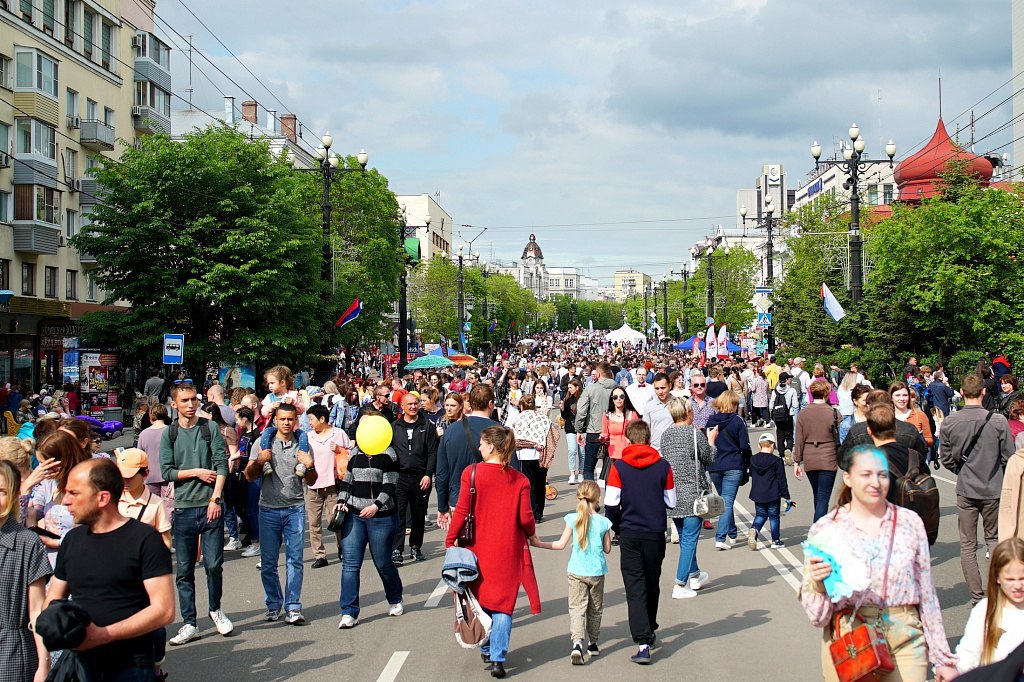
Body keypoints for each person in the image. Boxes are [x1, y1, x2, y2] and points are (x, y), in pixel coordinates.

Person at [800, 447, 958, 682]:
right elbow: (817, 617)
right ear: (848, 478)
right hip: (850, 636)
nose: (876, 482)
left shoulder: (909, 523)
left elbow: (927, 593)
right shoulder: (826, 529)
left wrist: (943, 659)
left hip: (904, 635)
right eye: (866, 474)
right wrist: (818, 585)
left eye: (882, 475)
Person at [44, 458, 176, 681]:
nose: (65, 501)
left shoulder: (145, 540)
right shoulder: (72, 541)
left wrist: (103, 635)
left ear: (102, 498)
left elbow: (164, 610)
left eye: (74, 493)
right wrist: (54, 623)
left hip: (130, 666)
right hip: (80, 665)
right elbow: (54, 597)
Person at [445, 426, 540, 678]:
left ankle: (486, 647)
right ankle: (498, 658)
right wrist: (531, 533)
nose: (478, 447)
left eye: (481, 443)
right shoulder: (520, 480)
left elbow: (463, 510)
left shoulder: (472, 473)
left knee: (481, 599)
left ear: (490, 446)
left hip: (476, 548)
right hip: (508, 549)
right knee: (503, 605)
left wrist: (451, 539)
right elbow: (526, 518)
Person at [159, 381, 233, 644]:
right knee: (184, 570)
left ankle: (215, 609)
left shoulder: (209, 427)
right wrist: (195, 472)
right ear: (174, 404)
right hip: (184, 509)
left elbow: (222, 465)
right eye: (185, 401)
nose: (191, 405)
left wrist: (216, 498)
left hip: (210, 505)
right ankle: (190, 622)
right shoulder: (170, 434)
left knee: (214, 565)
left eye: (194, 400)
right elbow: (166, 471)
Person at [604, 420, 675, 664]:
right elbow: (671, 501)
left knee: (635, 587)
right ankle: (650, 625)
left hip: (630, 532)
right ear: (648, 438)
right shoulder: (663, 466)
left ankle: (643, 640)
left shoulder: (619, 467)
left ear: (628, 439)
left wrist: (616, 525)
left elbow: (611, 503)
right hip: (655, 532)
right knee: (652, 581)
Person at [941, 374, 1016, 604]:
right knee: (993, 539)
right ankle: (996, 590)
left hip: (966, 488)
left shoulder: (950, 422)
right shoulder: (998, 421)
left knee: (968, 544)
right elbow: (1008, 457)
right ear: (983, 393)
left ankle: (976, 595)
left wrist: (961, 471)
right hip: (993, 488)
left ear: (961, 393)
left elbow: (945, 458)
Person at [529, 480, 611, 666]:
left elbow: (560, 544)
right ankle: (593, 643)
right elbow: (607, 549)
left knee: (577, 608)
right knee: (595, 608)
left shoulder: (573, 519)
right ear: (597, 499)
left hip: (576, 571)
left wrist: (538, 543)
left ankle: (576, 644)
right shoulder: (604, 522)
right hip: (596, 572)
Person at [244, 402, 311, 624]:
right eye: (282, 419)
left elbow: (311, 480)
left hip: (295, 508)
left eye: (290, 419)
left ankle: (293, 607)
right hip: (268, 509)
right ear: (275, 420)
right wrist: (260, 461)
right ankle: (273, 604)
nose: (286, 423)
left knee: (295, 560)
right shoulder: (262, 444)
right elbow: (249, 476)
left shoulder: (302, 445)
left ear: (295, 421)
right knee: (269, 562)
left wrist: (309, 466)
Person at [334, 420, 403, 629]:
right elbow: (347, 481)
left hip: (381, 517)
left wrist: (376, 505)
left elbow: (390, 484)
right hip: (354, 515)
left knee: (382, 562)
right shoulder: (355, 453)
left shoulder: (389, 454)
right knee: (350, 564)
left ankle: (395, 598)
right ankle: (349, 612)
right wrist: (341, 501)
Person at [660, 397, 716, 599]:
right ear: (687, 413)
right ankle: (680, 583)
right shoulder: (694, 434)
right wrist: (711, 441)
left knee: (685, 537)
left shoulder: (666, 436)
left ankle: (695, 574)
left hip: (673, 494)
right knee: (690, 540)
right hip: (693, 494)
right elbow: (709, 458)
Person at [0, 460, 51, 682]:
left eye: (1, 491)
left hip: (13, 655)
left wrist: (44, 663)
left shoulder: (27, 542)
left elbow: (37, 610)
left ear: (13, 496)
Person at [955, 538, 1024, 674]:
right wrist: (954, 671)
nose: (1017, 586)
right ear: (997, 577)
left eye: (1022, 578)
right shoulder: (985, 609)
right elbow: (969, 654)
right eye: (1010, 579)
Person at [436, 384, 500, 530]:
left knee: (462, 546)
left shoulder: (451, 431)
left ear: (470, 404)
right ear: (491, 404)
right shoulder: (500, 431)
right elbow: (513, 471)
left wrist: (442, 506)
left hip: (458, 498)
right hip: (492, 499)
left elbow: (441, 473)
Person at [27, 430, 90, 566]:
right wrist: (27, 487)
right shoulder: (48, 483)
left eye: (45, 463)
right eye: (39, 463)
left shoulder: (89, 483)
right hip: (50, 563)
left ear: (63, 460)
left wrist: (55, 542)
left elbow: (97, 530)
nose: (41, 468)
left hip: (80, 561)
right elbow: (22, 518)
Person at [391, 392, 438, 565]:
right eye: (409, 404)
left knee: (418, 515)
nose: (413, 406)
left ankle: (416, 547)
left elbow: (432, 452)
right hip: (400, 477)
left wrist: (428, 474)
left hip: (420, 477)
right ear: (402, 406)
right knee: (399, 514)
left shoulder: (427, 426)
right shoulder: (395, 426)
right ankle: (397, 549)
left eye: (415, 403)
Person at [306, 403, 351, 569]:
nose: (309, 422)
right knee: (314, 523)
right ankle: (319, 555)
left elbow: (351, 451)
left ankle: (342, 548)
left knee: (336, 520)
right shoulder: (308, 436)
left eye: (311, 419)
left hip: (333, 485)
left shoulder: (338, 433)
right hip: (313, 486)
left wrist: (339, 449)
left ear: (322, 419)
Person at [706, 391, 750, 550]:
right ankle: (721, 537)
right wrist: (748, 463)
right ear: (732, 404)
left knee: (726, 501)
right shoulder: (738, 421)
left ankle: (732, 532)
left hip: (715, 465)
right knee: (727, 501)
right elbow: (744, 446)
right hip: (733, 464)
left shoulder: (711, 421)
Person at [793, 380, 840, 523]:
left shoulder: (803, 413)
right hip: (828, 456)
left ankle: (819, 525)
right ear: (827, 393)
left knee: (817, 494)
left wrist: (797, 461)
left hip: (809, 457)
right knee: (823, 496)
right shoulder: (834, 413)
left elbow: (799, 439)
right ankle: (818, 529)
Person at [511, 393, 559, 522]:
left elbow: (512, 437)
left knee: (528, 484)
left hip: (524, 454)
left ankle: (530, 511)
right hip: (540, 455)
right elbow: (553, 433)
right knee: (540, 483)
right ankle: (539, 513)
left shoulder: (518, 418)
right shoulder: (543, 418)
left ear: (521, 406)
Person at [747, 432, 791, 550]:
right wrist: (786, 496)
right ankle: (775, 540)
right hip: (772, 493)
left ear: (759, 446)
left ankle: (754, 529)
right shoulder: (776, 461)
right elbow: (782, 479)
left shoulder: (753, 459)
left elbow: (751, 473)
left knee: (760, 514)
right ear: (772, 445)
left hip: (757, 493)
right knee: (774, 516)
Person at [575, 362, 617, 481]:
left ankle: (590, 496)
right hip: (612, 432)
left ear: (598, 374)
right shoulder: (618, 389)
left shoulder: (591, 389)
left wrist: (579, 429)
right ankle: (610, 497)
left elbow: (581, 411)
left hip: (594, 431)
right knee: (610, 469)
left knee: (588, 468)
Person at [601, 387, 640, 463]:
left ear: (625, 398)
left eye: (621, 396)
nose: (618, 399)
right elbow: (605, 434)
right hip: (612, 456)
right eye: (615, 397)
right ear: (612, 399)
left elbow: (637, 437)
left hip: (629, 455)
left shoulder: (633, 414)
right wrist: (602, 438)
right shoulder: (607, 415)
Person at [769, 372, 798, 461]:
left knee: (780, 434)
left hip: (778, 416)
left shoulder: (775, 391)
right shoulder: (792, 390)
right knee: (789, 434)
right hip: (788, 415)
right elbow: (795, 405)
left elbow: (771, 405)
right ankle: (788, 448)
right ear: (786, 380)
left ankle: (781, 453)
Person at [641, 374, 674, 452]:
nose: (660, 392)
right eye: (657, 388)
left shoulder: (677, 403)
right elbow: (645, 430)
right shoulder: (649, 406)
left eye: (663, 388)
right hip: (655, 451)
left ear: (669, 386)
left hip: (674, 451)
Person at [562, 378, 583, 484]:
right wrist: (562, 409)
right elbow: (565, 416)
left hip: (582, 428)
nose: (569, 390)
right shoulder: (568, 400)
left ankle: (581, 473)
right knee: (572, 450)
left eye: (571, 387)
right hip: (570, 428)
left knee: (582, 452)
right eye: (568, 387)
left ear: (577, 387)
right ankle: (572, 474)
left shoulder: (583, 398)